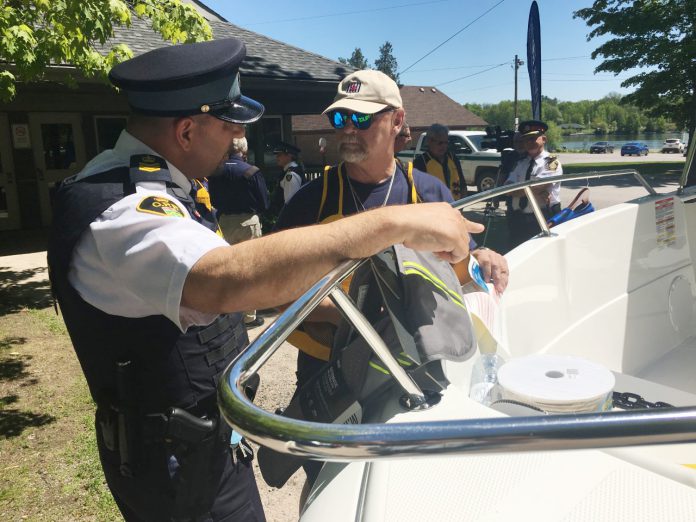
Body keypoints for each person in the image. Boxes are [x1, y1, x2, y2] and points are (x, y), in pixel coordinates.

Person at [46, 38, 481, 522]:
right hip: (177, 465)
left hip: (199, 445)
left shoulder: (164, 187)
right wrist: (389, 225)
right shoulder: (127, 208)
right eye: (230, 126)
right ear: (187, 130)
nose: (237, 141)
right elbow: (226, 279)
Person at [275, 69, 509, 389]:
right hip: (328, 364)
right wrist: (344, 316)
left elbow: (457, 270)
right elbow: (276, 288)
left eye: (361, 119)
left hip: (414, 358)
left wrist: (481, 258)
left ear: (397, 120)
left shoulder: (430, 194)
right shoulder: (310, 201)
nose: (347, 130)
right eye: (340, 119)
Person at [208, 136, 269, 328]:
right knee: (249, 270)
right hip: (247, 223)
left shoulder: (215, 171)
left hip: (223, 222)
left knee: (225, 270)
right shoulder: (251, 171)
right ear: (244, 150)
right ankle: (248, 316)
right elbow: (264, 202)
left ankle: (227, 313)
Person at [504, 119, 563, 248]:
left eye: (533, 138)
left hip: (541, 218)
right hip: (518, 219)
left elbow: (536, 187)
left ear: (544, 139)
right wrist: (531, 189)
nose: (529, 143)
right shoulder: (521, 162)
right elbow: (506, 187)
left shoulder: (551, 162)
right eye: (526, 139)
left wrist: (520, 190)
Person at [414, 123, 467, 199]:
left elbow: (463, 185)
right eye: (440, 143)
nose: (444, 146)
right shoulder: (421, 162)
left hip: (455, 206)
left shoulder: (452, 158)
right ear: (429, 141)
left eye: (446, 142)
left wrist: (462, 205)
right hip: (434, 208)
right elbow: (417, 192)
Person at [271, 141, 304, 211]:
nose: (277, 157)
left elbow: (290, 204)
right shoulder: (288, 172)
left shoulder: (290, 175)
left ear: (289, 156)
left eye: (280, 155)